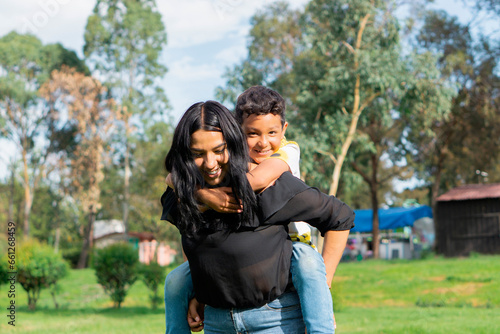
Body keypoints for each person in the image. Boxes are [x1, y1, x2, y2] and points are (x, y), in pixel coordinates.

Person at [161, 100, 355, 333]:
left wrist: (322, 287)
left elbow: (340, 216)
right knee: (174, 280)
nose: (210, 163)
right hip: (217, 322)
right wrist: (200, 292)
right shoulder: (181, 195)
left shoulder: (268, 186)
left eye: (219, 150)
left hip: (275, 320)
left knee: (306, 257)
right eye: (197, 154)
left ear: (233, 143)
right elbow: (194, 242)